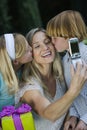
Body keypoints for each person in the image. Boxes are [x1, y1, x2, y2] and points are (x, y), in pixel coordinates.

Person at [15, 28, 87, 130]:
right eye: (37, 46)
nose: (45, 48)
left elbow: (67, 104)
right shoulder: (28, 86)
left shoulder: (60, 74)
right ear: (30, 53)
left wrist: (72, 117)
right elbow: (49, 113)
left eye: (47, 42)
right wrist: (74, 90)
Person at [46, 10, 87, 130]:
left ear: (69, 34)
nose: (52, 42)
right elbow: (72, 93)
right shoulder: (65, 60)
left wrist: (84, 120)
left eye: (55, 37)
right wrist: (73, 116)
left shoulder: (85, 55)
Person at [0, 33, 32, 111]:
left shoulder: (22, 70)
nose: (31, 48)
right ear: (16, 61)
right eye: (27, 50)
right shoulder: (1, 78)